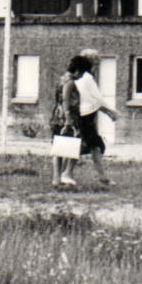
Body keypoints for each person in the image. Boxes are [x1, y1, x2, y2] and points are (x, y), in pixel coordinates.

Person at [61, 54, 120, 187]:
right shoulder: (84, 78)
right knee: (84, 145)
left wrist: (108, 112)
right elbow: (94, 99)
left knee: (93, 146)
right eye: (96, 62)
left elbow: (93, 100)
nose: (97, 66)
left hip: (85, 115)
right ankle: (66, 173)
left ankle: (100, 176)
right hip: (83, 117)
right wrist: (110, 111)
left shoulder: (81, 77)